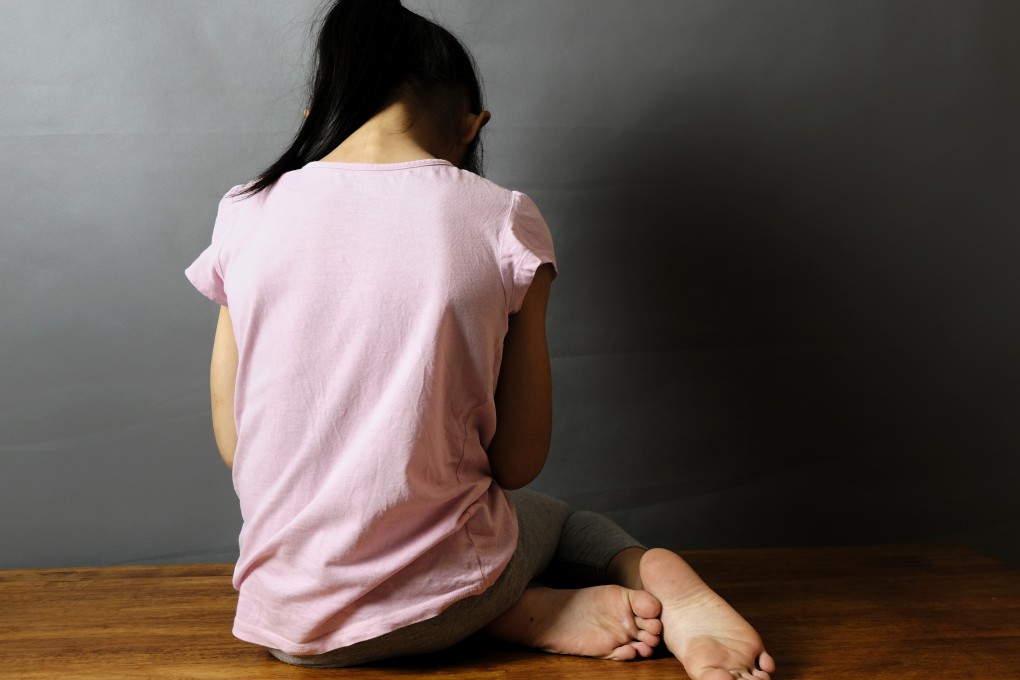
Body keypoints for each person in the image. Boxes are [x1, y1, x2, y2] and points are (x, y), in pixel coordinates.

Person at [184, 1, 775, 678]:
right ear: (470, 126)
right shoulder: (502, 219)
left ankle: (519, 615)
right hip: (442, 603)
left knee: (426, 546)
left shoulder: (246, 212)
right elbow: (518, 462)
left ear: (323, 107)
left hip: (287, 622)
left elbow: (237, 440)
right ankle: (593, 588)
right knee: (557, 520)